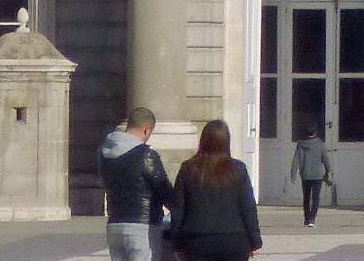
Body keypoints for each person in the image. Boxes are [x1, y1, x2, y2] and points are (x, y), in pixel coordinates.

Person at [166, 119, 261, 261]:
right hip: (233, 238)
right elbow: (248, 207)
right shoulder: (238, 169)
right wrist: (255, 240)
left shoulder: (188, 169)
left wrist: (177, 243)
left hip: (197, 239)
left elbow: (178, 209)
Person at [100, 104, 173, 261]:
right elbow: (164, 190)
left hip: (114, 224)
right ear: (146, 130)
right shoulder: (146, 155)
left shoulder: (105, 153)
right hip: (142, 227)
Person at [288, 118, 330, 228]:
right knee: (316, 198)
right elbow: (325, 159)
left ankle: (306, 218)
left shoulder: (300, 144)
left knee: (306, 197)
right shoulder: (320, 144)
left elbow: (295, 160)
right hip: (318, 175)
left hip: (305, 174)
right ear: (315, 132)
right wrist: (329, 171)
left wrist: (293, 174)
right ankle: (312, 219)